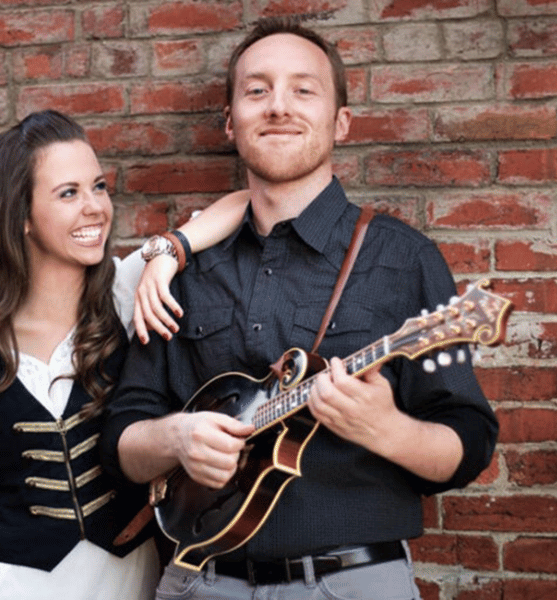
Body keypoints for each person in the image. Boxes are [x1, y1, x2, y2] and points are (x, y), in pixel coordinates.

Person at [100, 17, 499, 600]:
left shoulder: (403, 259)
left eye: (303, 89)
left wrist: (387, 430)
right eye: (257, 90)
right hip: (198, 583)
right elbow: (120, 440)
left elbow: (469, 445)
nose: (278, 107)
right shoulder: (181, 274)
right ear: (231, 122)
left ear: (340, 121)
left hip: (355, 582)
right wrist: (177, 439)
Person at [0, 109, 248, 600]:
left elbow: (244, 203)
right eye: (69, 193)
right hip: (0, 585)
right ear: (20, 216)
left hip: (126, 581)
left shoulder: (127, 295)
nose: (95, 207)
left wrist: (170, 250)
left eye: (99, 186)